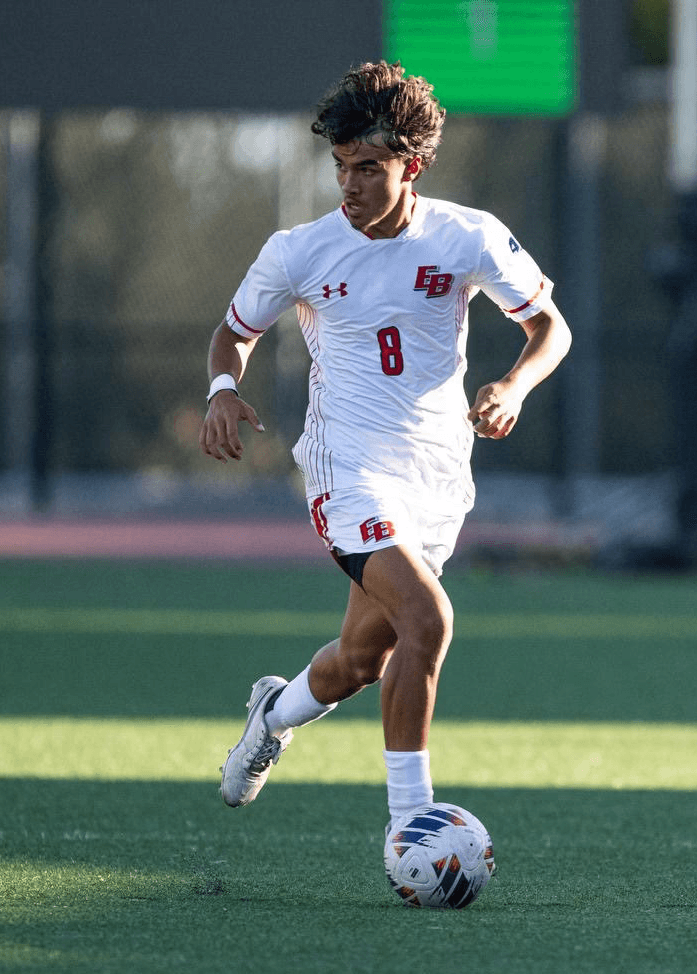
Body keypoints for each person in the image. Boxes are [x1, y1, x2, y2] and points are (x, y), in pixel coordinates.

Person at [199, 61, 571, 830]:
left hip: (436, 475)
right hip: (346, 468)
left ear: (413, 167)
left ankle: (274, 713)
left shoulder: (467, 236)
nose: (349, 184)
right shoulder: (299, 250)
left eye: (367, 167)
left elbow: (548, 329)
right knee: (426, 621)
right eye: (341, 166)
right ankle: (410, 824)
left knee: (360, 661)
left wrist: (512, 387)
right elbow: (233, 333)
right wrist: (223, 390)